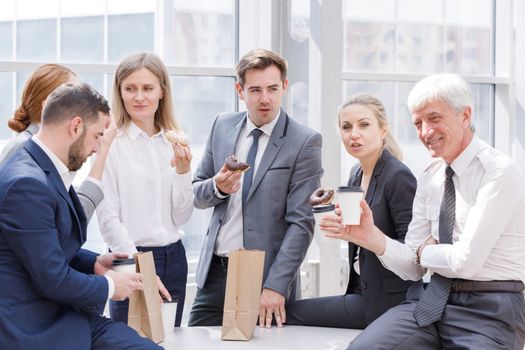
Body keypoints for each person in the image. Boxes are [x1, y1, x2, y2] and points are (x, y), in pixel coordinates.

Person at [322, 74, 525, 350]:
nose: (425, 132)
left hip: (489, 309)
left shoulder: (498, 173)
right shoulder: (431, 177)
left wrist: (422, 253)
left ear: (465, 115)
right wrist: (370, 237)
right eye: (418, 123)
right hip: (429, 301)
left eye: (434, 118)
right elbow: (412, 271)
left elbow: (465, 261)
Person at [0, 82, 161, 349]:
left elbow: (43, 247)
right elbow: (53, 279)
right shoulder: (26, 183)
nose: (98, 148)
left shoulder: (42, 168)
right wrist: (110, 285)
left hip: (63, 315)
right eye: (98, 135)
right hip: (33, 327)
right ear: (76, 127)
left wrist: (94, 262)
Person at [189, 48, 323, 328]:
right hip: (214, 274)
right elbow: (196, 194)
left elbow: (301, 223)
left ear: (284, 87)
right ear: (240, 90)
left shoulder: (304, 142)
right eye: (255, 90)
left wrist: (276, 286)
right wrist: (219, 187)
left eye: (273, 89)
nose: (265, 99)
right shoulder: (222, 125)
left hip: (265, 282)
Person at [285, 93, 420, 328]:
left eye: (364, 125)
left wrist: (369, 238)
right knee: (284, 313)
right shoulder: (356, 174)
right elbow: (357, 236)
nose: (354, 134)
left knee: (287, 314)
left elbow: (413, 260)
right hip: (361, 292)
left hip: (390, 303)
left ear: (384, 129)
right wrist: (344, 231)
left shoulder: (398, 176)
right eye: (346, 127)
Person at [97, 52, 193, 327]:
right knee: (130, 342)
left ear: (162, 91)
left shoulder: (173, 141)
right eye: (130, 89)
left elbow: (181, 216)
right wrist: (142, 268)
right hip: (129, 259)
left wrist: (184, 172)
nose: (139, 97)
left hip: (174, 258)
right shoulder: (110, 144)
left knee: (170, 341)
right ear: (120, 92)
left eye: (148, 88)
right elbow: (108, 219)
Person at [0, 63, 115, 220]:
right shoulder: (24, 149)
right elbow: (70, 229)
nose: (83, 104)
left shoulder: (48, 151)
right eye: (72, 95)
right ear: (48, 104)